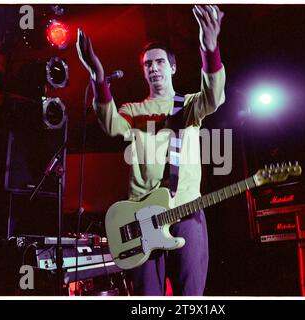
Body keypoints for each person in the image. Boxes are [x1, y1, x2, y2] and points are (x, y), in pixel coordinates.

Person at [77, 5, 225, 296]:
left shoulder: (189, 105)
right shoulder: (133, 110)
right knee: (147, 298)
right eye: (147, 64)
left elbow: (214, 97)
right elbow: (111, 125)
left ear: (172, 67)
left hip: (186, 212)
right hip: (142, 216)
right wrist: (97, 77)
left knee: (190, 298)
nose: (153, 68)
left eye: (159, 62)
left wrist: (209, 48)